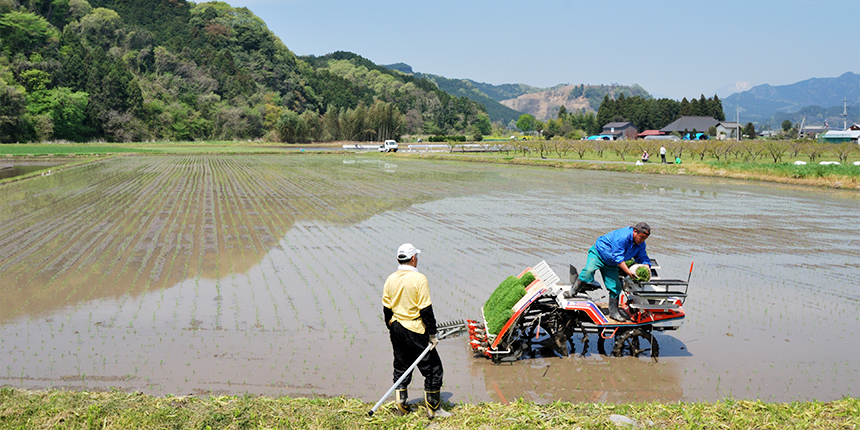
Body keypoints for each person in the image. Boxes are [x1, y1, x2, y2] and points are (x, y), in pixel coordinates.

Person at [382, 243, 451, 418]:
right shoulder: (419, 279)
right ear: (413, 259)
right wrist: (432, 335)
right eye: (416, 257)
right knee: (433, 368)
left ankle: (401, 406)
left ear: (398, 259)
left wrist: (391, 327)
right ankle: (433, 409)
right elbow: (426, 310)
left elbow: (387, 309)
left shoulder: (390, 279)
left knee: (401, 365)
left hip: (396, 326)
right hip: (414, 328)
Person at [570, 223, 651, 322]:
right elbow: (618, 257)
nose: (642, 240)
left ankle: (613, 312)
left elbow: (642, 257)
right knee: (588, 271)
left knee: (616, 287)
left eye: (644, 238)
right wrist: (629, 272)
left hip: (611, 263)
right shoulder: (622, 237)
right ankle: (573, 291)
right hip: (598, 253)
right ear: (635, 231)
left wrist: (646, 267)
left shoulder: (640, 244)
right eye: (641, 237)